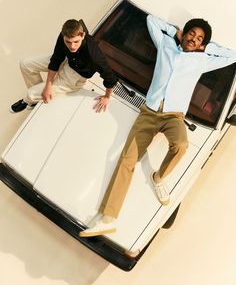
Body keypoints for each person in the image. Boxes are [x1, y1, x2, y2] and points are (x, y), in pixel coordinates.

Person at [79, 13, 236, 237]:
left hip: (174, 116)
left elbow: (232, 56)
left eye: (199, 38)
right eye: (191, 33)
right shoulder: (166, 46)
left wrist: (207, 48)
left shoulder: (204, 59)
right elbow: (151, 20)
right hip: (149, 112)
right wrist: (174, 32)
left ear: (203, 43)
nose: (193, 38)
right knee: (126, 160)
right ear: (184, 33)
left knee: (181, 145)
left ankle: (159, 178)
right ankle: (107, 218)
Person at [10, 19, 117, 113]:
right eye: (68, 42)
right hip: (66, 60)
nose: (72, 46)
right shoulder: (64, 36)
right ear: (63, 35)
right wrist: (48, 86)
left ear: (83, 35)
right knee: (25, 64)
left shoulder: (94, 56)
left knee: (30, 93)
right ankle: (42, 95)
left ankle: (31, 99)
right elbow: (56, 59)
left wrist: (107, 97)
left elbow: (110, 77)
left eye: (76, 42)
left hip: (76, 76)